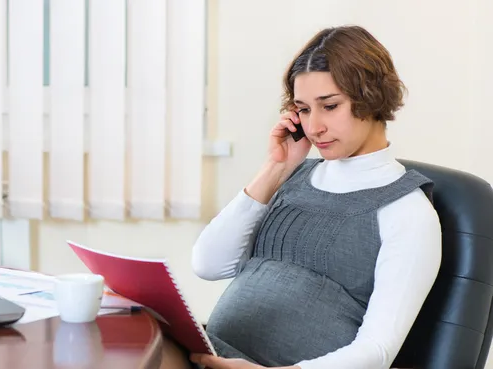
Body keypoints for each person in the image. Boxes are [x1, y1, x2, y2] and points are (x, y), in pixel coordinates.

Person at [188, 25, 442, 369]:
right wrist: (275, 168)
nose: (313, 127)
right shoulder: (292, 176)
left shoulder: (407, 212)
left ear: (372, 97)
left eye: (330, 106)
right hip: (213, 354)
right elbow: (208, 264)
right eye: (304, 109)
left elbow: (378, 351)